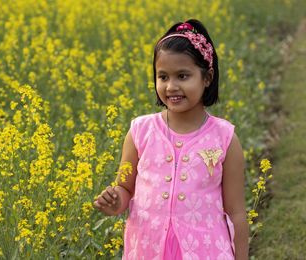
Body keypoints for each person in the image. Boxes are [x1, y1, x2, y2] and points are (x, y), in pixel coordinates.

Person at [93, 19, 249, 259]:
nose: (171, 86)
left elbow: (236, 212)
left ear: (207, 78)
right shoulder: (140, 131)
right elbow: (125, 187)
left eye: (183, 76)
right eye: (163, 77)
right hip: (147, 248)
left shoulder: (225, 138)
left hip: (205, 250)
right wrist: (115, 202)